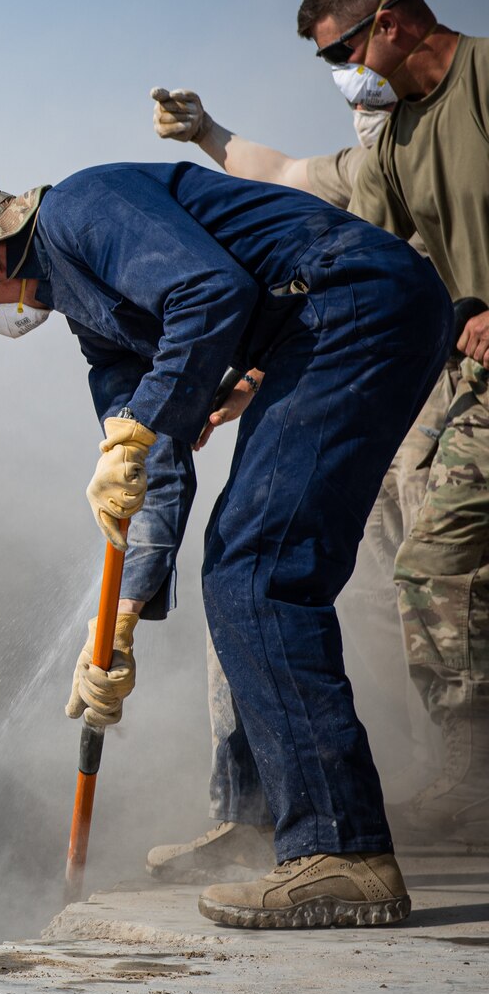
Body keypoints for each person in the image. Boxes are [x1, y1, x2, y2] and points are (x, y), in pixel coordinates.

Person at [0, 164, 448, 927]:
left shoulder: (83, 212)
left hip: (351, 306)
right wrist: (120, 622)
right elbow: (151, 467)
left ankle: (342, 852)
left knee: (256, 571)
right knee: (245, 564)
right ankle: (275, 820)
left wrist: (146, 420)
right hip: (344, 322)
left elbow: (212, 292)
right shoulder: (90, 317)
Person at [144, 80, 458, 876]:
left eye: (350, 55)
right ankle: (256, 810)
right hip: (340, 380)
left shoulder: (460, 154)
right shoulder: (368, 167)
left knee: (435, 580)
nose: (353, 83)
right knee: (250, 583)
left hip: (440, 383)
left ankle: (464, 777)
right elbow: (280, 170)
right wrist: (210, 132)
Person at [307, 0, 489, 845]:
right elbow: (362, 264)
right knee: (428, 562)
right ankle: (467, 778)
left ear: (390, 23)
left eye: (339, 50)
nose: (342, 73)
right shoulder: (396, 138)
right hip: (481, 388)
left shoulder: (487, 79)